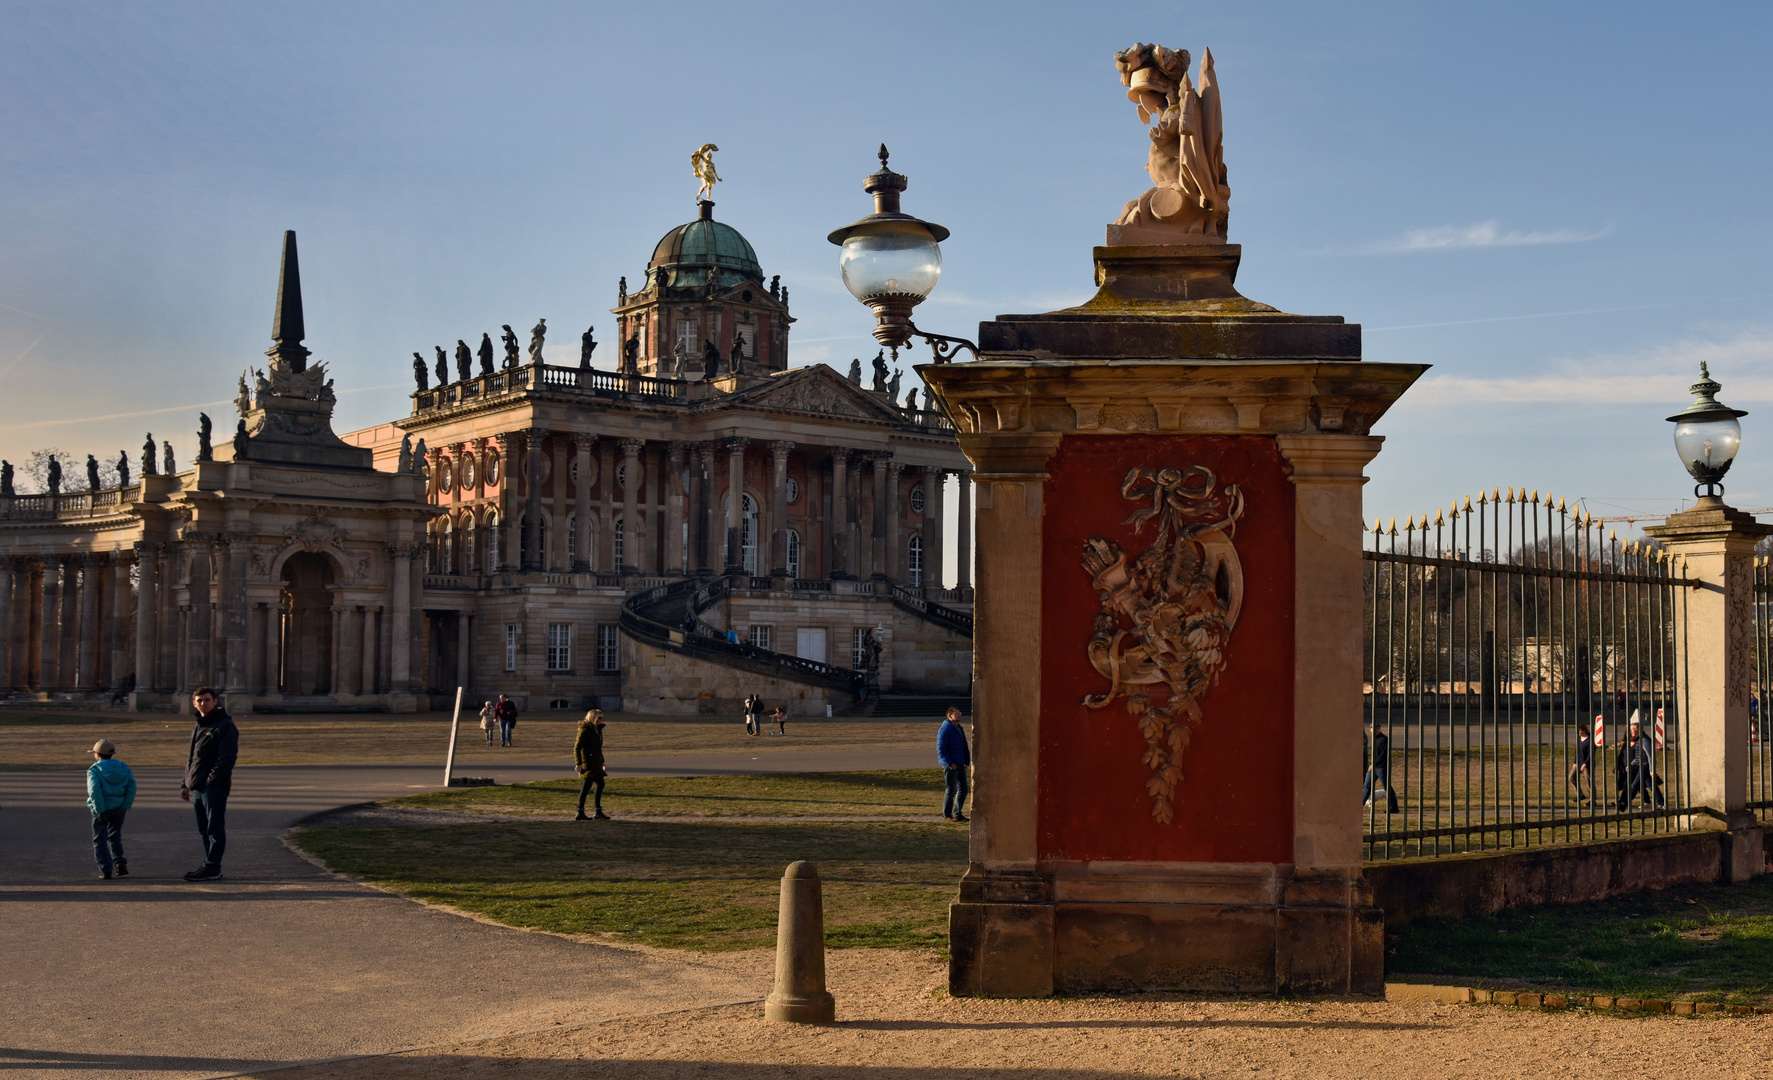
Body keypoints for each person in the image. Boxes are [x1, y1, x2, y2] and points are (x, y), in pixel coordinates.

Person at [181, 687, 238, 881]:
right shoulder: (198, 726)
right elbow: (192, 758)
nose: (203, 703)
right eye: (199, 700)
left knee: (214, 828)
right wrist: (185, 783)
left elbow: (227, 758)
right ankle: (210, 865)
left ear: (215, 701)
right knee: (204, 829)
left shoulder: (224, 726)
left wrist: (212, 781)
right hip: (197, 786)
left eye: (207, 700)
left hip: (213, 787)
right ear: (194, 703)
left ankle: (212, 866)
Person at [87, 738, 136, 880]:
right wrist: (125, 805)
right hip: (119, 807)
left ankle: (105, 869)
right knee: (115, 836)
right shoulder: (123, 767)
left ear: (97, 754)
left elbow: (95, 791)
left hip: (101, 808)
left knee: (99, 840)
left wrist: (99, 809)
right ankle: (120, 863)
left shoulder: (94, 770)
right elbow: (131, 787)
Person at [1616, 717, 1665, 810]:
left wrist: (1651, 769)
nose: (1631, 731)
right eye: (1630, 729)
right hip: (1641, 765)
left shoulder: (1644, 740)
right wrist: (1631, 764)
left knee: (1634, 786)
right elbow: (1640, 756)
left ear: (1638, 730)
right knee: (1651, 786)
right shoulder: (1639, 740)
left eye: (1633, 729)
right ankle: (1662, 803)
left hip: (1645, 766)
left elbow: (1650, 756)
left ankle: (1623, 804)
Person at [574, 710, 610, 821]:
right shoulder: (584, 730)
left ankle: (595, 811)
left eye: (602, 718)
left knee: (597, 783)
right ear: (593, 718)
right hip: (588, 762)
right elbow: (577, 747)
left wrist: (602, 761)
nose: (601, 720)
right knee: (590, 784)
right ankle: (583, 811)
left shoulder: (598, 730)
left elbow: (598, 748)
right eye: (599, 718)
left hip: (596, 761)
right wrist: (578, 763)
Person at [937, 707, 970, 822]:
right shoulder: (945, 729)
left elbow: (964, 746)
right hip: (950, 765)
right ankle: (946, 815)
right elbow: (941, 749)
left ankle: (957, 813)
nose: (959, 714)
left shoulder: (959, 728)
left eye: (960, 712)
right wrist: (949, 763)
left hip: (960, 763)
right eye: (956, 713)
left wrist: (966, 761)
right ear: (949, 716)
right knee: (951, 790)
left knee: (964, 789)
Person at [1362, 723, 1399, 814]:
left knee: (1387, 787)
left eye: (1377, 728)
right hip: (1373, 767)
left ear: (1379, 729)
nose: (1375, 730)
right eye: (1372, 728)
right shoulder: (1374, 739)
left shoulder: (1384, 739)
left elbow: (1383, 755)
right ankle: (1361, 804)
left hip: (1381, 767)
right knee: (1367, 786)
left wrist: (1373, 764)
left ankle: (1394, 807)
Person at [1568, 727, 1593, 804]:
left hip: (1587, 764)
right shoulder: (1579, 740)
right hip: (1579, 763)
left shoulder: (1589, 741)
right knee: (1571, 777)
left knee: (1588, 781)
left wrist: (1585, 763)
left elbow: (1591, 754)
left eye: (1580, 730)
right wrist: (1575, 762)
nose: (1578, 732)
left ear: (1584, 730)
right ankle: (1580, 794)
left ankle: (1592, 800)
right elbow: (1577, 752)